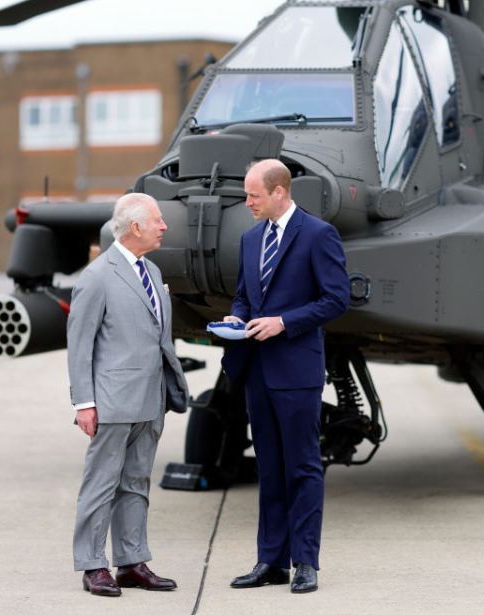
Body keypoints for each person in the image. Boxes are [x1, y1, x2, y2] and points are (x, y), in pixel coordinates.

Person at [221, 159, 350, 594]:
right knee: (270, 468)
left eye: (254, 195)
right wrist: (236, 318)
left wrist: (283, 322)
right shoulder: (250, 238)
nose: (248, 202)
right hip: (258, 369)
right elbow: (243, 296)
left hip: (296, 370)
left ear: (280, 192)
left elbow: (336, 300)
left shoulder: (318, 235)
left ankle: (306, 562)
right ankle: (271, 560)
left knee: (303, 467)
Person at [67, 192, 189, 597]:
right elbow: (80, 346)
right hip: (112, 402)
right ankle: (92, 565)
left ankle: (132, 562)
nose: (164, 226)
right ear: (136, 227)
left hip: (150, 401)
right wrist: (84, 403)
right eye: (158, 220)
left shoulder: (151, 272)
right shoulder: (97, 276)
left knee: (136, 483)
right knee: (101, 484)